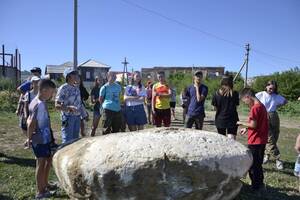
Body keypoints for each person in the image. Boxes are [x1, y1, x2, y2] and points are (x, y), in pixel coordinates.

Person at [27, 79, 56, 199]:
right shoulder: (38, 104)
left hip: (45, 138)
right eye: (51, 92)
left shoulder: (40, 102)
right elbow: (30, 123)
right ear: (44, 90)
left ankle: (45, 184)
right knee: (41, 163)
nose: (52, 95)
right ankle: (40, 192)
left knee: (48, 160)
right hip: (40, 140)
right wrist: (28, 139)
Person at [237, 88, 268, 193]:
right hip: (261, 140)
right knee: (258, 164)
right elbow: (257, 123)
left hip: (255, 141)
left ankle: (256, 187)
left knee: (253, 166)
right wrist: (247, 128)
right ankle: (260, 184)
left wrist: (240, 123)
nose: (245, 103)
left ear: (248, 97)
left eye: (244, 101)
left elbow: (253, 125)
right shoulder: (262, 106)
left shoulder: (255, 108)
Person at [256, 80, 288, 170]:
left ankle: (267, 155)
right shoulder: (261, 94)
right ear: (266, 87)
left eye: (273, 89)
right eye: (270, 88)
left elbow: (285, 101)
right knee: (269, 138)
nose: (271, 90)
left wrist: (277, 106)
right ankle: (278, 159)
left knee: (274, 136)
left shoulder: (276, 96)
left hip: (274, 115)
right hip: (263, 115)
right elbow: (251, 100)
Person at [55, 68, 85, 143]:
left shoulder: (77, 88)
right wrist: (68, 108)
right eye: (73, 74)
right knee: (67, 141)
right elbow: (57, 105)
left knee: (75, 141)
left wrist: (84, 114)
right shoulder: (63, 88)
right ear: (68, 76)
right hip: (68, 118)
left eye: (76, 74)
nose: (76, 75)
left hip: (77, 117)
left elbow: (79, 103)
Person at [22, 76, 41, 148]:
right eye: (35, 82)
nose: (37, 83)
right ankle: (29, 142)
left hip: (39, 116)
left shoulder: (40, 93)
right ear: (32, 83)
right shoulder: (28, 94)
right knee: (31, 130)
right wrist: (26, 116)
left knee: (38, 132)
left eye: (38, 81)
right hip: (31, 116)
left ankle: (33, 144)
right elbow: (25, 106)